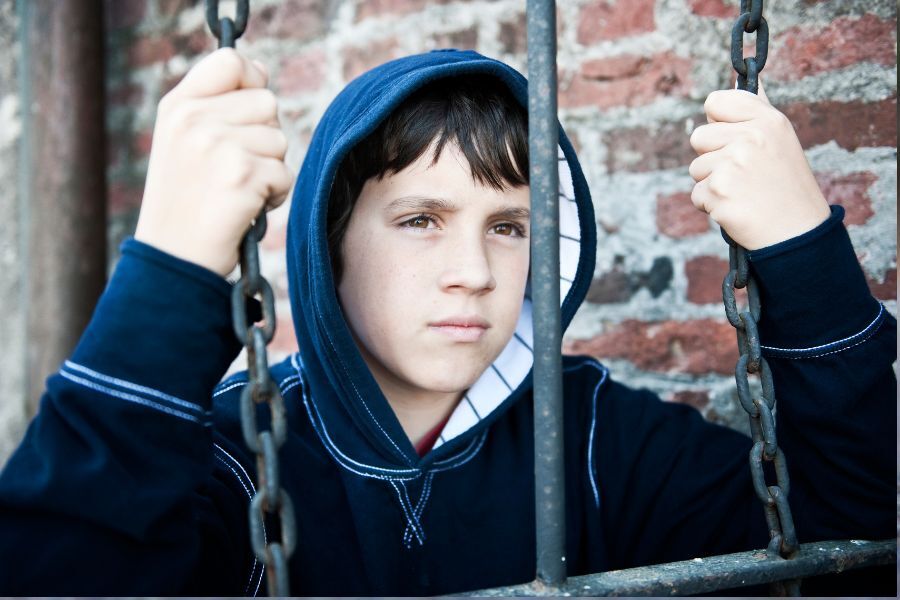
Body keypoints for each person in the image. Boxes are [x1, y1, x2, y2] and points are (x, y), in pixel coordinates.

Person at [0, 48, 894, 596]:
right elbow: (59, 574)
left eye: (508, 228)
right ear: (330, 243)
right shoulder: (233, 458)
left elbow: (851, 549)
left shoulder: (596, 440)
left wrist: (801, 251)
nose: (473, 274)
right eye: (420, 219)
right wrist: (172, 264)